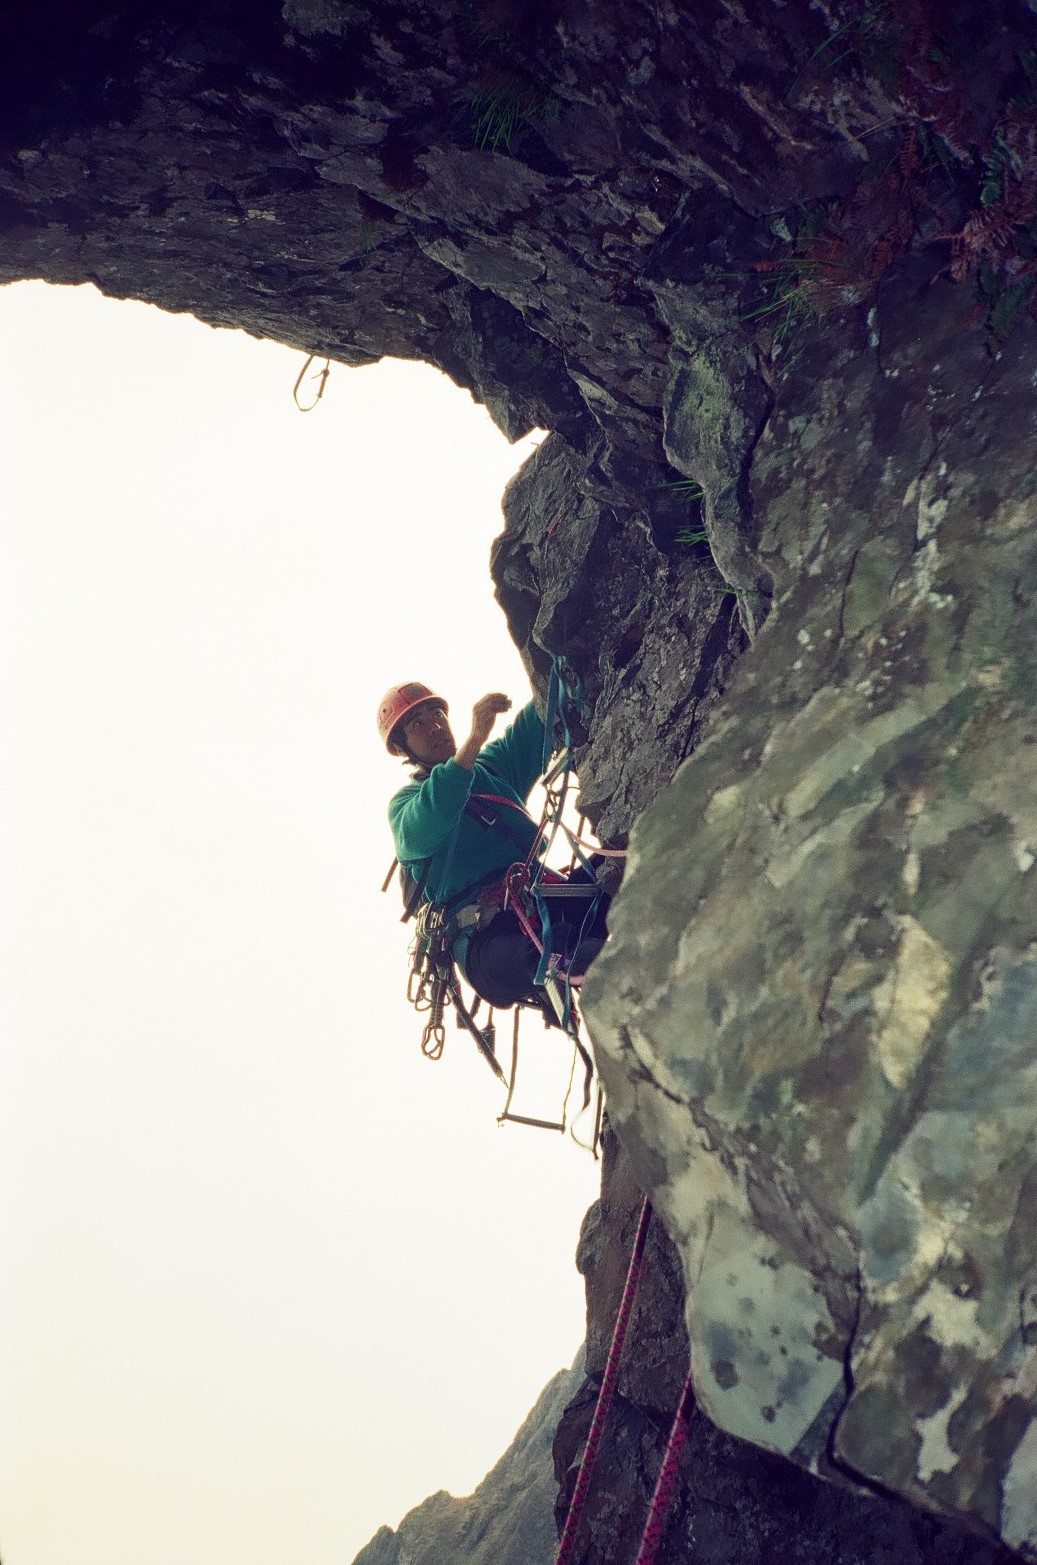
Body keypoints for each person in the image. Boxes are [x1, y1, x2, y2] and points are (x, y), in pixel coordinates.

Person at [378, 681, 608, 1010]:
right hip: (484, 940)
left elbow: (534, 725)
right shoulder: (405, 806)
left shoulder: (490, 768)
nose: (435, 726)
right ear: (403, 749)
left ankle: (575, 956)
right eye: (417, 724)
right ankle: (564, 961)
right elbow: (433, 814)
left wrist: (558, 671)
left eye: (437, 714)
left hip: (544, 904)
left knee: (619, 864)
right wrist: (474, 740)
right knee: (531, 957)